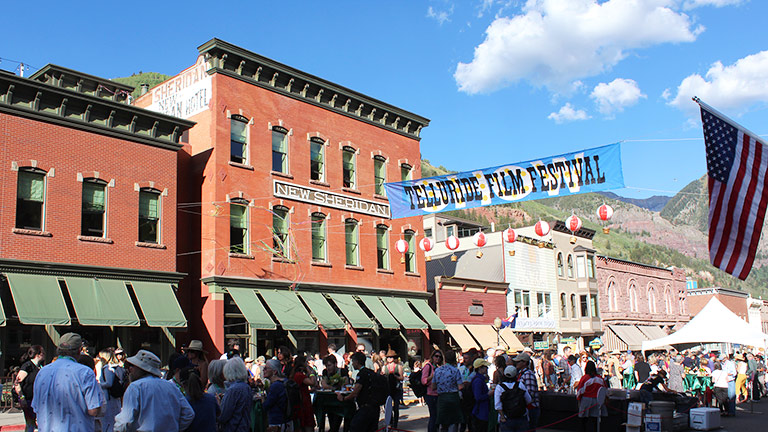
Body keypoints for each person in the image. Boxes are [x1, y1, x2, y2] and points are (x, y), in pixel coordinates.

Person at [31, 333, 102, 432]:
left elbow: (36, 407)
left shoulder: (42, 372)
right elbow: (94, 410)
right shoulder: (84, 372)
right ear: (79, 350)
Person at [114, 349, 194, 432]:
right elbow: (188, 414)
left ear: (141, 368)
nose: (130, 369)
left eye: (132, 366)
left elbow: (125, 420)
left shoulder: (136, 387)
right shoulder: (170, 386)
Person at [339, 351, 379, 432]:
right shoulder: (370, 372)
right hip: (375, 407)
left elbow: (355, 392)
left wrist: (344, 398)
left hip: (366, 408)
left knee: (355, 427)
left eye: (352, 362)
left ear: (357, 362)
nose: (352, 364)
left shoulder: (361, 374)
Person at [218, 357, 253, 432]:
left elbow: (223, 416)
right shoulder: (246, 387)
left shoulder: (232, 390)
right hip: (245, 427)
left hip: (233, 428)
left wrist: (219, 403)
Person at [181, 366, 220, 432]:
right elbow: (218, 415)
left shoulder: (183, 403)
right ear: (199, 381)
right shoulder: (211, 399)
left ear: (183, 385)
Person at [15, 345, 44, 432]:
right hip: (28, 400)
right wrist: (21, 397)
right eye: (43, 353)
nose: (44, 355)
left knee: (37, 423)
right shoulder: (27, 366)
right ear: (38, 354)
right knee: (30, 423)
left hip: (38, 400)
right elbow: (17, 383)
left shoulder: (40, 367)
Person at [433, 350, 464, 432]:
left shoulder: (437, 370)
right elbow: (460, 386)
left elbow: (433, 386)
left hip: (442, 398)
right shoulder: (455, 370)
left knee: (443, 423)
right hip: (453, 397)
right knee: (453, 422)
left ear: (445, 359)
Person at [494, 366, 532, 432]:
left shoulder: (499, 387)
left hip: (506, 418)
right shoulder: (520, 385)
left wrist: (502, 417)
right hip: (521, 417)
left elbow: (497, 405)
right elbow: (529, 400)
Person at [575, 361, 607, 432]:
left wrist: (579, 399)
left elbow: (580, 391)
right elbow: (605, 390)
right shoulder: (600, 379)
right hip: (597, 401)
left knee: (583, 421)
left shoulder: (585, 378)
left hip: (586, 400)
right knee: (595, 421)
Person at [321, 354, 349, 432]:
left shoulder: (342, 371)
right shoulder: (325, 372)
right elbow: (323, 384)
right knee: (331, 419)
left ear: (335, 364)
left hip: (341, 400)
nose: (328, 368)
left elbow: (346, 382)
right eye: (326, 366)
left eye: (329, 365)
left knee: (337, 421)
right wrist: (332, 387)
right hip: (330, 400)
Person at [97, 349, 123, 432]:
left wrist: (98, 385)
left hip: (109, 398)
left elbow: (109, 383)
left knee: (109, 419)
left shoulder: (108, 369)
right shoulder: (107, 368)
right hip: (107, 397)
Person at [513, 352, 540, 429]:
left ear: (524, 362)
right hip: (526, 408)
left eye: (518, 362)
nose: (516, 363)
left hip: (531, 408)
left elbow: (530, 393)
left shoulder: (528, 374)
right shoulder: (521, 373)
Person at [262, 359, 289, 431]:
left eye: (266, 368)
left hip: (277, 422)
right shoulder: (285, 381)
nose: (263, 370)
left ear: (274, 371)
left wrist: (262, 398)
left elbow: (266, 405)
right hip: (287, 421)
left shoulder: (276, 386)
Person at [292, 355, 317, 432]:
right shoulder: (299, 375)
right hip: (304, 402)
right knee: (307, 424)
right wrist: (311, 373)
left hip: (302, 399)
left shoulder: (295, 374)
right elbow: (312, 382)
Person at [422, 350, 443, 432]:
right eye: (436, 356)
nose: (438, 358)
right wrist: (432, 376)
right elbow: (423, 381)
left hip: (438, 394)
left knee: (438, 416)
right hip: (430, 394)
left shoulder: (439, 367)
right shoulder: (428, 366)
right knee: (433, 416)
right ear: (432, 356)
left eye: (439, 357)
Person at [383, 348, 404, 428]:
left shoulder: (398, 367)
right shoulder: (384, 367)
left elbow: (402, 378)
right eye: (388, 357)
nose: (389, 359)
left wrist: (396, 376)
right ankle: (390, 421)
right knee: (388, 406)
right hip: (388, 388)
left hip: (396, 388)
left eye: (391, 357)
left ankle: (395, 424)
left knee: (396, 407)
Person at [470, 358, 491, 432]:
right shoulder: (478, 381)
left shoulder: (480, 379)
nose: (487, 368)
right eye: (485, 367)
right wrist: (488, 394)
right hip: (480, 412)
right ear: (480, 368)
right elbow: (478, 397)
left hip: (482, 411)